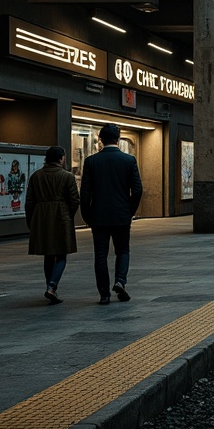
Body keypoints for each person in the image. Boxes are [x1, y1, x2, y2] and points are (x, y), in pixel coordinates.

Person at [80, 123, 143, 305]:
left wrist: (87, 215)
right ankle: (120, 281)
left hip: (98, 216)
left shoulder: (91, 161)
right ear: (118, 138)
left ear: (100, 139)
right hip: (121, 214)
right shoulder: (129, 160)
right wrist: (130, 210)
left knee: (100, 254)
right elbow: (137, 190)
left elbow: (85, 193)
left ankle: (104, 294)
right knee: (122, 250)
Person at [25, 145, 80, 305]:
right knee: (61, 254)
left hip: (41, 216)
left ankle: (50, 286)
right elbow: (74, 200)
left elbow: (29, 202)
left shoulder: (36, 176)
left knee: (48, 254)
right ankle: (52, 286)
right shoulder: (67, 176)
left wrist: (32, 221)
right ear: (61, 158)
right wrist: (68, 215)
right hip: (61, 215)